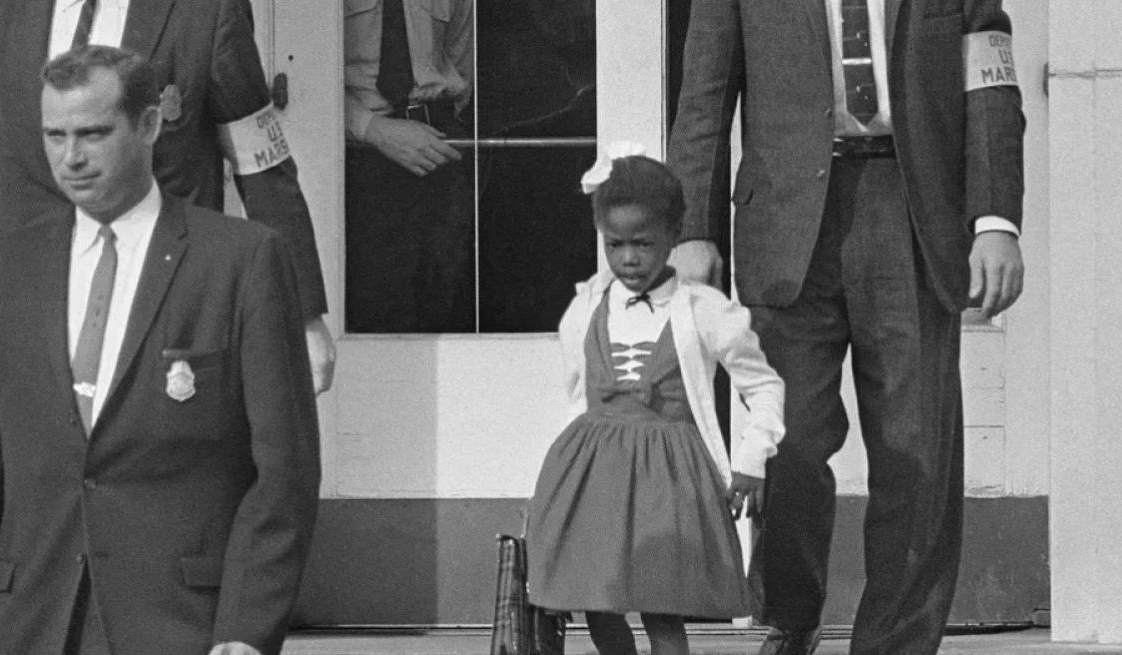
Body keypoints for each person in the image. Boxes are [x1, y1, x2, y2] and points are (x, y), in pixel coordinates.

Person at [0, 46, 320, 655]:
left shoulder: (240, 262)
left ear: (150, 125)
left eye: (93, 133)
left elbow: (283, 472)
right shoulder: (6, 270)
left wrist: (246, 630)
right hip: (36, 624)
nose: (71, 157)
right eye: (54, 135)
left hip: (182, 628)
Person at [667, 1, 1027, 653]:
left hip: (914, 209)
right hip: (785, 218)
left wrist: (995, 219)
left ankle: (894, 641)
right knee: (787, 438)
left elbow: (991, 83)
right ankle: (792, 614)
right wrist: (691, 227)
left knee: (915, 446)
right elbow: (704, 91)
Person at [0, 0, 335, 392]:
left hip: (163, 328)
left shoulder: (207, 8)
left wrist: (302, 311)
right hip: (22, 321)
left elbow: (258, 162)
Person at [524, 145, 786, 655]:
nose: (628, 258)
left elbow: (764, 385)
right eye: (614, 244)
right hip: (596, 471)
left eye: (642, 243)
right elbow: (580, 395)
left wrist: (752, 458)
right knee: (598, 599)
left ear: (673, 235)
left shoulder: (704, 312)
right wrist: (554, 488)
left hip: (668, 476)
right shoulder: (586, 309)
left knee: (661, 602)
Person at [343, 0, 476, 332]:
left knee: (449, 302)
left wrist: (434, 119)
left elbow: (461, 58)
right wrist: (372, 129)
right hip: (358, 154)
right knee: (377, 309)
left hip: (438, 145)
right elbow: (301, 75)